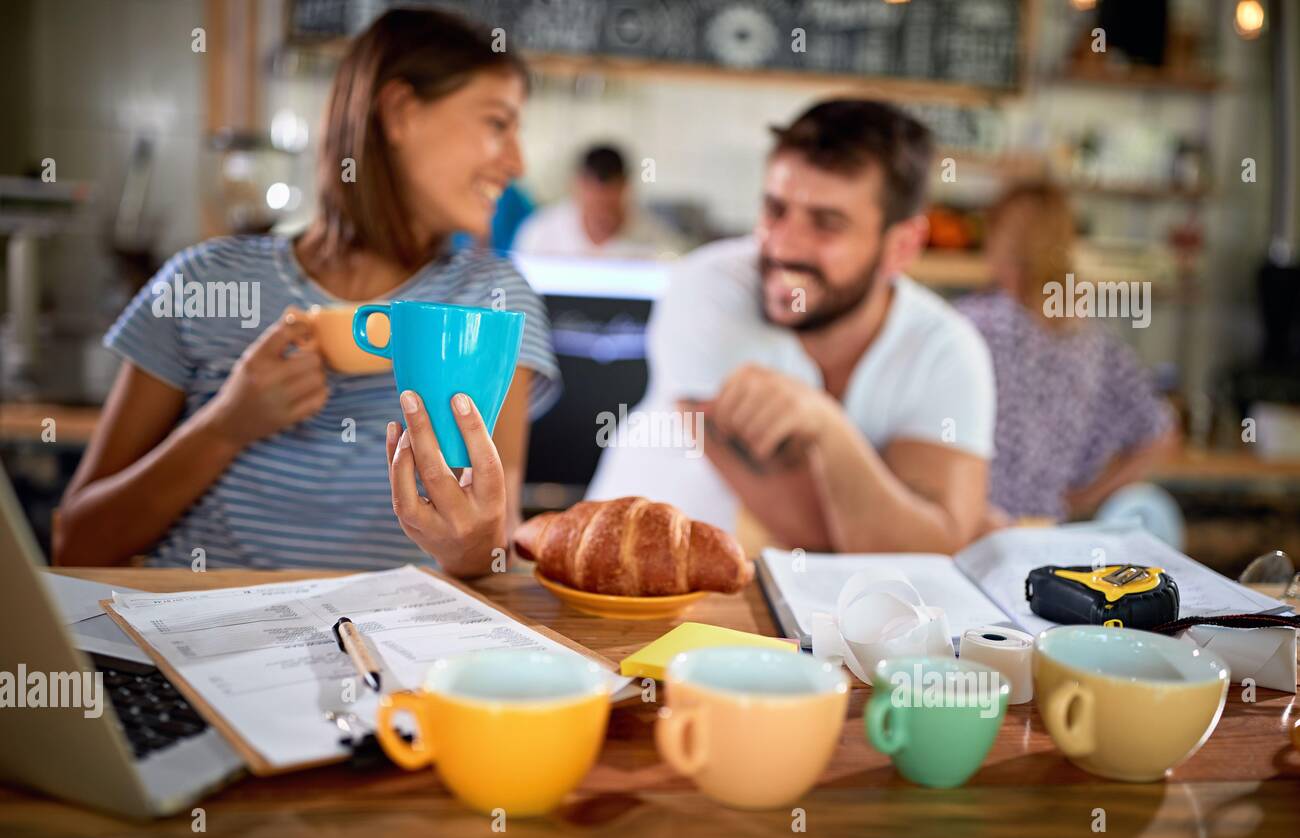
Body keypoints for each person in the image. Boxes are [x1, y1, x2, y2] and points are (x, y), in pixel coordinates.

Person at [55, 8, 560, 576]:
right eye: (497, 123)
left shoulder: (492, 301)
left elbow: (496, 554)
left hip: (386, 657)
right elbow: (77, 543)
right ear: (398, 113)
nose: (516, 162)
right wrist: (227, 424)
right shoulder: (204, 282)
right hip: (196, 645)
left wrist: (469, 541)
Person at [588, 100, 996, 554]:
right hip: (622, 587)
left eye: (827, 224)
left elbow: (932, 551)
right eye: (775, 210)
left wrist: (825, 425)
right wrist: (918, 516)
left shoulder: (948, 348)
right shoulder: (708, 290)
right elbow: (825, 537)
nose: (784, 246)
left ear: (901, 247)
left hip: (800, 616)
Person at [957, 182, 1178, 522]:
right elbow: (1160, 433)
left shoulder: (971, 325)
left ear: (1003, 243)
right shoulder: (1092, 339)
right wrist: (1086, 500)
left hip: (971, 529)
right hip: (1049, 534)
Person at [513, 144, 686, 259]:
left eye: (608, 206)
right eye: (594, 205)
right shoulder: (540, 233)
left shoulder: (656, 241)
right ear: (577, 186)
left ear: (626, 188)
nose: (601, 215)